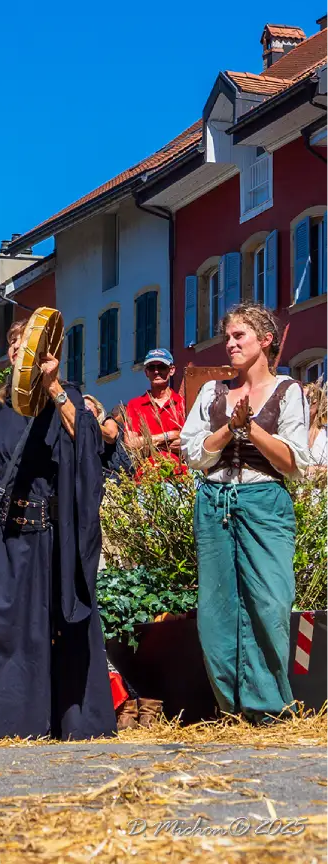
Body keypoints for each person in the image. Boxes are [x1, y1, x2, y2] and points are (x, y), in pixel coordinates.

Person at [0, 318, 116, 743]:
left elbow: (87, 445)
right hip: (8, 537)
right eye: (11, 346)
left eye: (23, 344)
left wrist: (56, 386)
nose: (15, 352)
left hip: (54, 538)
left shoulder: (68, 398)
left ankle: (70, 720)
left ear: (44, 351)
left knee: (63, 621)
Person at [180, 301, 310, 723]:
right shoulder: (212, 392)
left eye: (240, 337)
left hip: (264, 502)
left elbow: (295, 463)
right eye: (228, 337)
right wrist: (228, 427)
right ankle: (231, 706)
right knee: (217, 610)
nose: (230, 344)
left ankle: (269, 706)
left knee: (270, 601)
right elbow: (193, 454)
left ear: (266, 341)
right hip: (214, 501)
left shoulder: (288, 391)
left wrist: (252, 428)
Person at [124, 349, 185, 453]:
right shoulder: (135, 405)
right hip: (146, 467)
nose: (156, 371)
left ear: (171, 370)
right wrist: (168, 435)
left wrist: (148, 443)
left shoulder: (182, 403)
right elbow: (130, 443)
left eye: (162, 367)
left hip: (179, 468)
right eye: (152, 368)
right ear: (146, 372)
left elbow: (191, 440)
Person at [84, 394, 132, 480]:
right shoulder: (85, 435)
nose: (84, 408)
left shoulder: (107, 421)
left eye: (87, 405)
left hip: (118, 475)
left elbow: (111, 435)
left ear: (97, 409)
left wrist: (90, 422)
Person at [305, 382, 328, 470]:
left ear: (319, 403)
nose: (306, 404)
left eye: (309, 399)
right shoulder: (292, 431)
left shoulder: (325, 433)